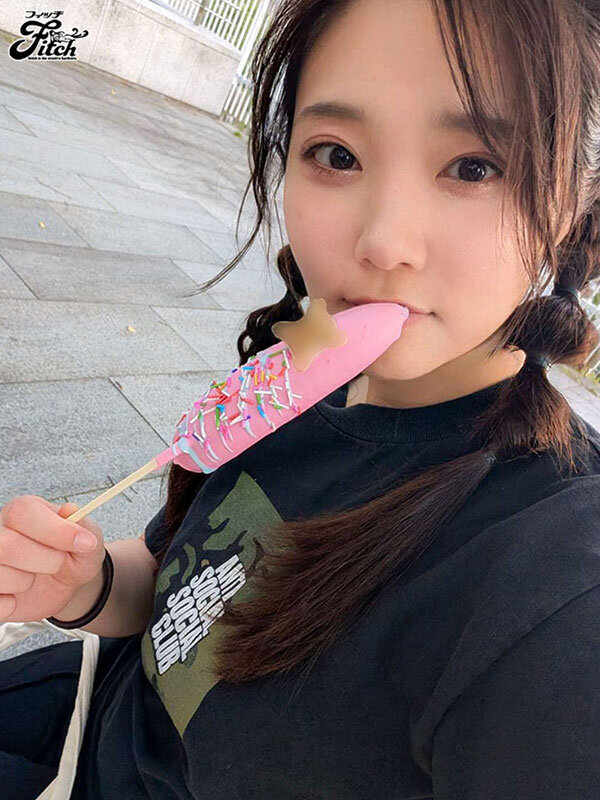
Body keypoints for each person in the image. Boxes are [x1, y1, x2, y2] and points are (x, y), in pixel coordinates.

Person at [1, 0, 600, 797]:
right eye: (337, 154)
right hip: (82, 719)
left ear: (569, 205)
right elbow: (180, 583)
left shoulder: (555, 580)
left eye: (474, 167)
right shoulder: (301, 371)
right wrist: (85, 585)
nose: (383, 242)